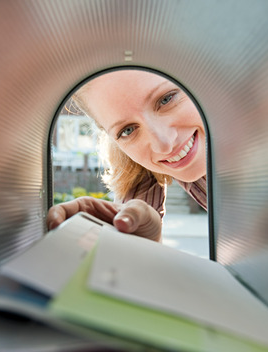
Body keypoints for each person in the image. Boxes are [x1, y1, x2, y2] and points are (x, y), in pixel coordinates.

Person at [47, 70, 207, 241]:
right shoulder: (137, 164)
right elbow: (134, 251)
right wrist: (140, 243)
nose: (164, 145)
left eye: (166, 99)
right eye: (128, 130)